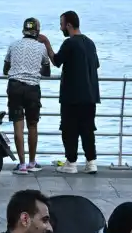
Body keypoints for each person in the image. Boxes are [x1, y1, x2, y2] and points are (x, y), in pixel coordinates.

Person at [39, 11, 100, 174]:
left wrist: (46, 43)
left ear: (68, 25)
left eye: (61, 25)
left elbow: (56, 61)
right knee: (88, 129)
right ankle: (91, 162)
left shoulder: (69, 43)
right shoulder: (90, 43)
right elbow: (96, 65)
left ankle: (71, 163)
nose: (60, 28)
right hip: (91, 95)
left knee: (69, 129)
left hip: (72, 95)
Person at [4, 18, 51, 175]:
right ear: (37, 31)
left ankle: (22, 164)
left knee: (18, 125)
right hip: (32, 89)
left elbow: (6, 69)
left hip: (15, 87)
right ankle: (32, 162)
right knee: (32, 125)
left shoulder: (13, 45)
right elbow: (47, 72)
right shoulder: (41, 48)